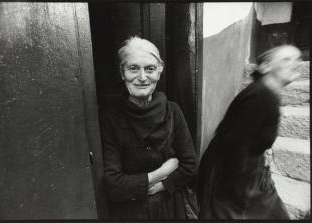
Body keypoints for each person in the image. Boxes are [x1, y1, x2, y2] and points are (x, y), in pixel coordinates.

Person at [197, 45, 302, 219]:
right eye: (286, 59)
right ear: (265, 66)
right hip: (233, 177)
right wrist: (240, 195)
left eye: (297, 59)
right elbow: (236, 144)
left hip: (246, 171)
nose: (295, 64)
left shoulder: (266, 93)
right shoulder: (261, 96)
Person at [100, 36, 197, 219]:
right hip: (131, 213)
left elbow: (189, 165)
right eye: (133, 68)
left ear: (159, 72)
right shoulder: (111, 120)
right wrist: (162, 172)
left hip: (170, 209)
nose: (142, 77)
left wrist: (158, 187)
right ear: (122, 73)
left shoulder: (173, 111)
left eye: (150, 69)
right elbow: (114, 184)